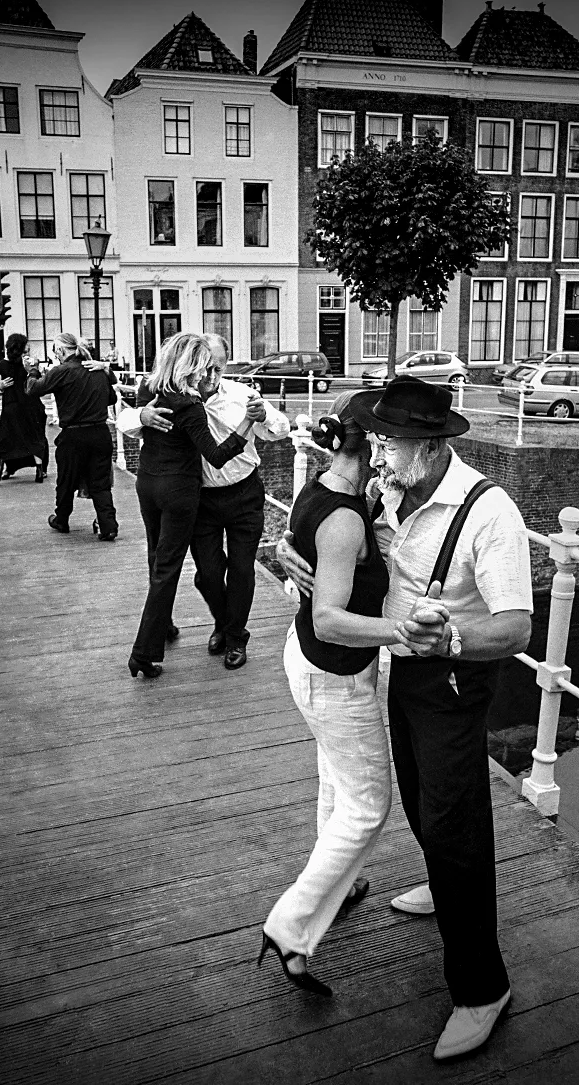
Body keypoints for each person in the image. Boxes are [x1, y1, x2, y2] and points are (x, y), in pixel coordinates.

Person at [272, 375, 534, 1062]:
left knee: (457, 822)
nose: (379, 451)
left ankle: (482, 989)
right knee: (419, 796)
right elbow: (334, 540)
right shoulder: (388, 488)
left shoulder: (488, 512)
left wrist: (448, 641)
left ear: (428, 444)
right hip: (397, 666)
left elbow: (515, 628)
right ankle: (441, 883)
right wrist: (290, 555)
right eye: (379, 439)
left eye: (391, 440)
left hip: (451, 674)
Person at [256, 388, 419, 998]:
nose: (393, 449)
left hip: (313, 664)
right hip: (333, 673)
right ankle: (291, 929)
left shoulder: (330, 489)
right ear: (372, 442)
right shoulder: (346, 518)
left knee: (335, 781)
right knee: (368, 805)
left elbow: (314, 546)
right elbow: (329, 616)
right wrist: (404, 632)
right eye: (388, 438)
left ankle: (341, 888)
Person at [125, 349, 288, 669]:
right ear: (193, 368)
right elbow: (125, 419)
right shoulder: (176, 394)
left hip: (244, 494)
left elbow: (280, 429)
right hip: (202, 500)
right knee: (209, 573)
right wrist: (141, 416)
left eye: (217, 369)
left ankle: (236, 637)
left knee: (242, 569)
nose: (210, 377)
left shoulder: (242, 394)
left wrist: (264, 415)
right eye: (205, 369)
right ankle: (222, 624)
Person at [24, 332, 121, 542]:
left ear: (60, 350)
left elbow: (33, 389)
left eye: (55, 351)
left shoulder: (61, 371)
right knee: (101, 483)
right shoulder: (95, 369)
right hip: (100, 432)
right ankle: (108, 525)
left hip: (74, 435)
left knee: (66, 480)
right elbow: (111, 397)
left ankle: (62, 519)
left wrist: (32, 370)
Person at [0, 333, 50, 483]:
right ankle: (40, 469)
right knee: (35, 437)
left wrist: (0, 387)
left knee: (6, 438)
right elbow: (39, 383)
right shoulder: (29, 365)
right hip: (31, 405)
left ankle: (2, 466)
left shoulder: (1, 365)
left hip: (11, 405)